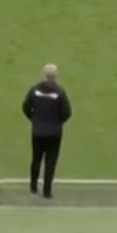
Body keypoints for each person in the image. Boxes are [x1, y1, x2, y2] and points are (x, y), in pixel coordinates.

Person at [22, 63, 71, 198]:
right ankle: (47, 191)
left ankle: (33, 187)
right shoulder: (59, 92)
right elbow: (67, 112)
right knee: (50, 162)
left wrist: (34, 119)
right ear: (55, 76)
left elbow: (25, 107)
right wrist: (57, 122)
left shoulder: (35, 90)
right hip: (54, 133)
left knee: (36, 159)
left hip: (37, 131)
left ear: (44, 75)